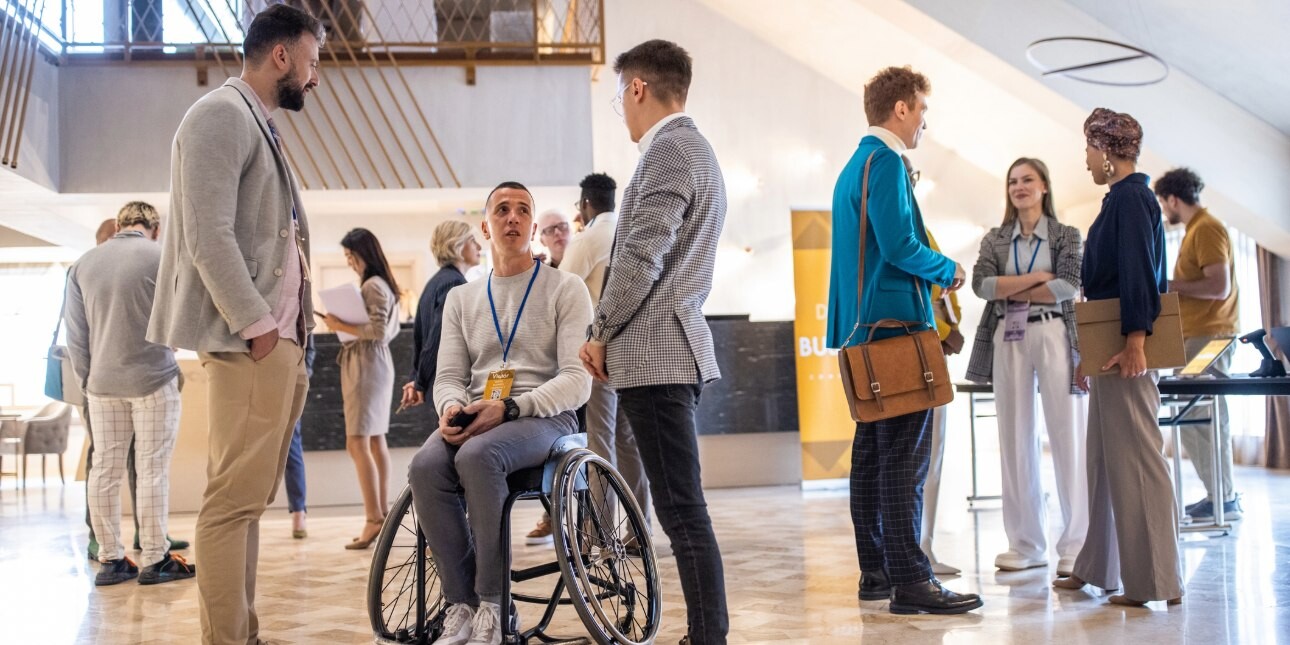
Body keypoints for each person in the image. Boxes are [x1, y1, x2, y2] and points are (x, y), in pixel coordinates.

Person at [146, 5, 322, 643]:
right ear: (282, 56)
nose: (315, 76)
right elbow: (207, 236)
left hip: (277, 343)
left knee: (247, 502)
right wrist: (256, 325)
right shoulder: (220, 114)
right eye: (312, 61)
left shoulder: (255, 121)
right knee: (228, 506)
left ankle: (241, 632)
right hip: (253, 343)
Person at [580, 39, 730, 644]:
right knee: (679, 507)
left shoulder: (670, 150)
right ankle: (706, 632)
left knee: (681, 512)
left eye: (621, 96)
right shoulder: (694, 149)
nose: (624, 109)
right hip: (669, 349)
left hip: (658, 354)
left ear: (638, 88)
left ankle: (707, 635)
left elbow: (640, 259)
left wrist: (600, 330)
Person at [408, 182, 592, 645]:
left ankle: (493, 604)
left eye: (522, 210)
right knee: (425, 466)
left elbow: (577, 379)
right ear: (486, 227)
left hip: (546, 416)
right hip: (478, 416)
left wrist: (510, 406)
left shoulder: (566, 289)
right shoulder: (461, 299)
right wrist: (452, 408)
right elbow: (449, 375)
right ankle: (461, 605)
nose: (513, 217)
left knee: (478, 458)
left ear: (533, 226)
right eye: (502, 210)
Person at [825, 65, 980, 615]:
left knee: (870, 455)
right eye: (922, 113)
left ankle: (877, 572)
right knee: (902, 459)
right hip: (895, 329)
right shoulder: (887, 160)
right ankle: (912, 581)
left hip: (860, 330)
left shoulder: (852, 165)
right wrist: (949, 270)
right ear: (902, 109)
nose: (923, 126)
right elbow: (898, 245)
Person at [1053, 108, 1183, 607]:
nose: (1085, 159)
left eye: (1088, 149)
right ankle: (1098, 566)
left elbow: (1137, 275)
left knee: (1138, 464)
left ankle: (1154, 581)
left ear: (1106, 151)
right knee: (1105, 462)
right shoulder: (1120, 200)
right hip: (1111, 349)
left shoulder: (1132, 200)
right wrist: (1092, 354)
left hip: (1128, 348)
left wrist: (1134, 341)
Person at [967, 158, 1089, 576]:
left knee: (1067, 433)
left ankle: (1076, 545)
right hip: (1008, 335)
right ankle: (1025, 543)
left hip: (1054, 333)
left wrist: (1012, 287)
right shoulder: (995, 238)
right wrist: (1038, 276)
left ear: (1044, 187)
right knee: (1014, 436)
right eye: (1013, 181)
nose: (1019, 187)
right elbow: (983, 285)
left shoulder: (1065, 234)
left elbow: (1068, 286)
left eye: (1027, 180)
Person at [65, 202, 195, 587]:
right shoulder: (161, 256)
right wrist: (171, 348)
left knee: (104, 470)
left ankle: (111, 560)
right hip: (154, 378)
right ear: (154, 228)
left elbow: (76, 336)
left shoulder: (84, 264)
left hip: (102, 385)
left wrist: (90, 382)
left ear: (119, 225)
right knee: (152, 470)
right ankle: (155, 559)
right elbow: (182, 319)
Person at [1155, 167, 1242, 522]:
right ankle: (1221, 496)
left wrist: (1171, 286)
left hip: (1211, 335)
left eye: (1164, 204)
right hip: (1201, 335)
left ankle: (1223, 498)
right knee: (1199, 417)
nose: (1164, 211)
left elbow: (1218, 286)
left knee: (1200, 416)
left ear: (1173, 199)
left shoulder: (1206, 228)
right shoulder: (1198, 229)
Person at [322, 228, 400, 550]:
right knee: (374, 439)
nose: (349, 263)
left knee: (357, 441)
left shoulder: (372, 285)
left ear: (362, 254)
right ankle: (380, 514)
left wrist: (339, 325)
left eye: (350, 256)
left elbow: (378, 331)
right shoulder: (380, 284)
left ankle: (374, 518)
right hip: (372, 363)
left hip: (367, 365)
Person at [402, 220, 480, 413]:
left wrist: (416, 378)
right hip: (448, 385)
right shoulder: (454, 283)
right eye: (473, 240)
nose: (479, 246)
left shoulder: (435, 282)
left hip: (435, 384)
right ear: (458, 245)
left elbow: (421, 340)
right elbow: (438, 339)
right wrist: (419, 382)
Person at [922, 225, 963, 577]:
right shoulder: (908, 229)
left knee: (929, 457)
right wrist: (951, 271)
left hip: (932, 343)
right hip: (922, 347)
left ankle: (923, 546)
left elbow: (945, 293)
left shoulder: (920, 226)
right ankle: (918, 549)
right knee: (924, 456)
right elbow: (927, 291)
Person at [285, 334, 316, 539]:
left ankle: (298, 511)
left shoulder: (299, 302)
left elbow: (309, 350)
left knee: (291, 448)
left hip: (290, 382)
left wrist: (301, 377)